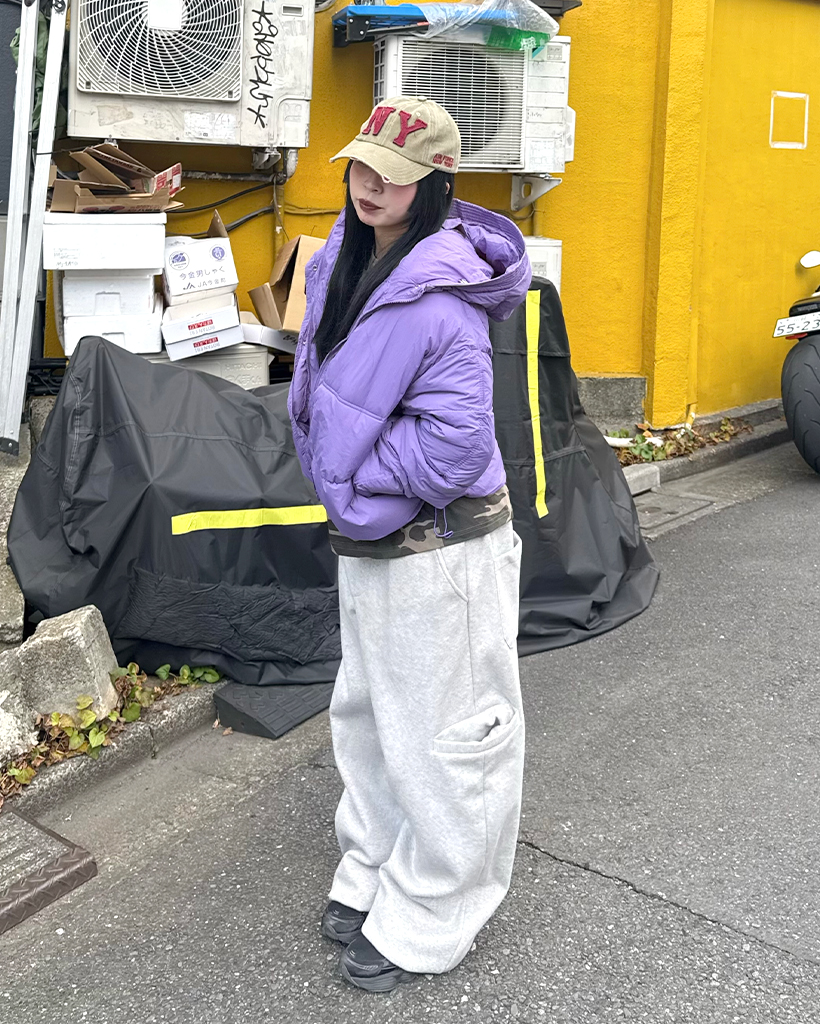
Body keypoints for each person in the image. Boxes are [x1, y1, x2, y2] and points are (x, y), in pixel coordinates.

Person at [287, 97, 531, 993]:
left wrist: (352, 474)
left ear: (434, 185)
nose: (369, 186)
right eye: (361, 166)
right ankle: (375, 865)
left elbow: (456, 446)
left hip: (443, 548)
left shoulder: (444, 294)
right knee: (368, 715)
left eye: (393, 174)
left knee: (448, 736)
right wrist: (349, 482)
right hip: (375, 541)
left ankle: (435, 910)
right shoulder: (343, 262)